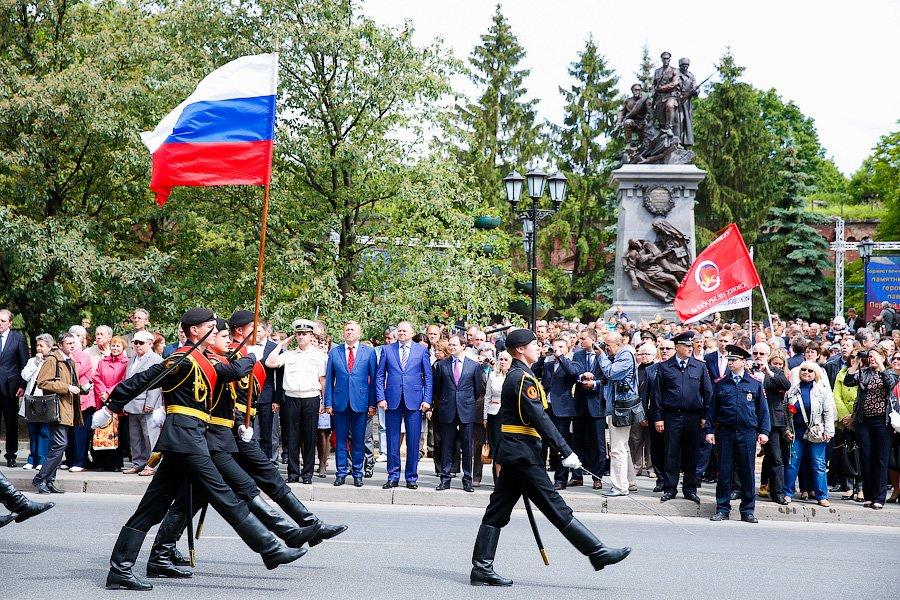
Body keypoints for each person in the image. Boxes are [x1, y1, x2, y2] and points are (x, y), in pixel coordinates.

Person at [94, 308, 305, 591]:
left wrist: (252, 355)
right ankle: (269, 549)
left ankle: (120, 568)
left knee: (152, 508)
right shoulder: (182, 358)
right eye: (211, 327)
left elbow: (230, 371)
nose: (217, 332)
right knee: (224, 495)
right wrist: (111, 406)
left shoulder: (201, 360)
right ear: (195, 330)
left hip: (190, 438)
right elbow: (144, 379)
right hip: (185, 438)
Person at [469, 328, 630, 587]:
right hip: (522, 454)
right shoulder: (523, 379)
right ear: (520, 349)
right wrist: (565, 451)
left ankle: (481, 568)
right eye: (534, 344)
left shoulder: (520, 375)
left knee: (497, 511)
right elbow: (540, 419)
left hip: (515, 452)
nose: (538, 348)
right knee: (555, 506)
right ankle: (597, 553)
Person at [705, 345, 770, 523]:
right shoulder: (721, 384)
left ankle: (747, 510)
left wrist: (764, 431)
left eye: (734, 360)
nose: (731, 363)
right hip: (725, 432)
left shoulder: (754, 384)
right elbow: (712, 411)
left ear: (743, 362)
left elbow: (763, 411)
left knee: (747, 472)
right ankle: (722, 508)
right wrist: (709, 430)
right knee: (724, 472)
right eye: (729, 360)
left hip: (747, 432)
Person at [652, 331, 712, 503]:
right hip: (671, 416)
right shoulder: (665, 367)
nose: (689, 348)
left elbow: (707, 393)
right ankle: (670, 488)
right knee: (671, 453)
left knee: (691, 454)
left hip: (693, 416)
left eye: (690, 345)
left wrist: (705, 416)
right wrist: (658, 417)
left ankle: (690, 488)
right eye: (686, 346)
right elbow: (657, 395)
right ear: (677, 347)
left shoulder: (699, 366)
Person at [265, 319, 326, 484]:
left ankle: (307, 474)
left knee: (309, 437)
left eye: (304, 334)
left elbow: (322, 381)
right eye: (298, 334)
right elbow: (270, 362)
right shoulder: (289, 354)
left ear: (311, 335)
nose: (301, 337)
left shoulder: (319, 356)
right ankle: (293, 473)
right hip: (291, 398)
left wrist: (324, 401)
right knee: (292, 437)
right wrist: (281, 344)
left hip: (311, 398)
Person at [376, 321, 433, 489]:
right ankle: (393, 476)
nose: (401, 333)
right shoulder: (387, 350)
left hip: (414, 400)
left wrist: (427, 400)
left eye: (404, 331)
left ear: (411, 332)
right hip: (392, 399)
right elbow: (380, 376)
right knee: (392, 439)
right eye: (399, 331)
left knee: (413, 440)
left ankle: (411, 477)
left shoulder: (421, 350)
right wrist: (380, 397)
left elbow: (428, 377)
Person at [844, 346, 898, 509]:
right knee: (866, 458)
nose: (872, 358)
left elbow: (891, 385)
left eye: (875, 356)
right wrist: (857, 362)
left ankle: (879, 498)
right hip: (863, 421)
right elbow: (848, 381)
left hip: (883, 421)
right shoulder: (864, 371)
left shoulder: (890, 372)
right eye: (870, 356)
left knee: (881, 459)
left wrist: (881, 365)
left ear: (883, 357)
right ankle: (869, 496)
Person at [324, 320, 377, 487]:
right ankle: (341, 472)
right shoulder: (335, 352)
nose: (349, 332)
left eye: (353, 330)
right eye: (346, 330)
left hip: (361, 402)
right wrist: (328, 403)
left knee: (359, 440)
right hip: (340, 402)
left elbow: (374, 380)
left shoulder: (368, 352)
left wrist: (372, 404)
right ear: (343, 333)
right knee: (340, 440)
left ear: (359, 334)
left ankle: (357, 473)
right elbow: (329, 378)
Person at [31, 332, 82, 494]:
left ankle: (49, 481)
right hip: (57, 409)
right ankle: (40, 479)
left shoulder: (70, 361)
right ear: (60, 345)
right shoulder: (53, 360)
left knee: (58, 445)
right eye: (69, 343)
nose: (72, 346)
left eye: (74, 343)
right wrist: (67, 388)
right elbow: (42, 382)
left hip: (67, 408)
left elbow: (71, 383)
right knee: (60, 444)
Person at [433, 335, 484, 492]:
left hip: (466, 410)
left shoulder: (473, 366)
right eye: (450, 344)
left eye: (455, 344)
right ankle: (445, 478)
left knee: (467, 446)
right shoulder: (442, 365)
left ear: (463, 346)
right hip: (447, 409)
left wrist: (466, 402)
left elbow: (478, 390)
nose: (452, 347)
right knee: (447, 445)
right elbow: (437, 388)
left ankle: (467, 479)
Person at [783, 361, 836, 506]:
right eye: (803, 370)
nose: (806, 372)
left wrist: (828, 431)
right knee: (792, 464)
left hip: (816, 433)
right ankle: (787, 493)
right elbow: (786, 414)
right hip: (796, 433)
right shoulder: (791, 391)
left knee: (818, 464)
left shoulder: (822, 391)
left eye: (810, 371)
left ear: (816, 374)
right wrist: (787, 430)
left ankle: (822, 496)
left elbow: (828, 413)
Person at [597, 332, 639, 497]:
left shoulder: (625, 356)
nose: (606, 349)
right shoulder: (620, 355)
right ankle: (628, 483)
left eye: (608, 345)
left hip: (621, 409)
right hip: (617, 408)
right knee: (622, 447)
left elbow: (611, 372)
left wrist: (601, 356)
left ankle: (620, 487)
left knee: (617, 449)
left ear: (618, 344)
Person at [540, 337, 581, 490]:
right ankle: (541, 478)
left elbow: (573, 374)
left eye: (560, 347)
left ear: (567, 349)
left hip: (562, 410)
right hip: (546, 408)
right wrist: (543, 356)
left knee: (561, 444)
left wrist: (561, 357)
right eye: (554, 347)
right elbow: (535, 370)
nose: (556, 349)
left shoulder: (572, 363)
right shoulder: (548, 365)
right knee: (543, 444)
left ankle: (561, 479)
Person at [120, 331, 162, 475]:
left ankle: (152, 466)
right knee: (135, 437)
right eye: (135, 342)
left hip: (146, 404)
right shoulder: (132, 359)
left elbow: (156, 383)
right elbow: (128, 382)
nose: (137, 345)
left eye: (141, 343)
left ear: (150, 344)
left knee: (150, 436)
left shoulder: (156, 359)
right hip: (132, 404)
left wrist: (150, 402)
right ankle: (138, 463)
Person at [753, 345, 791, 505]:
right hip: (749, 418)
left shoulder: (774, 373)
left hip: (772, 420)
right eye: (755, 353)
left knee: (776, 458)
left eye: (762, 354)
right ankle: (738, 489)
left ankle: (777, 492)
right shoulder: (746, 368)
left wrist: (769, 370)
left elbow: (785, 385)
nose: (758, 356)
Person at [572, 329, 606, 490]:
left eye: (583, 339)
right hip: (580, 404)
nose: (580, 342)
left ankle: (597, 477)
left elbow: (607, 377)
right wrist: (581, 377)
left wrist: (595, 383)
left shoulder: (602, 355)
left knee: (597, 444)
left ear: (593, 340)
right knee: (577, 441)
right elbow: (574, 373)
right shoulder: (578, 355)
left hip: (596, 405)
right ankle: (577, 476)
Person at [91, 336, 129, 472]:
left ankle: (115, 464)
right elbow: (96, 377)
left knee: (116, 433)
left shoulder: (126, 363)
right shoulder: (103, 361)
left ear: (123, 348)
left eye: (118, 346)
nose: (115, 348)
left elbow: (123, 380)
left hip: (117, 400)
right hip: (102, 400)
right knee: (101, 431)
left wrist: (109, 392)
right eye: (113, 345)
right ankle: (100, 463)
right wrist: (102, 392)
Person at [19, 334, 55, 471]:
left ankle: (42, 458)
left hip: (46, 399)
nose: (39, 348)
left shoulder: (52, 360)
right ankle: (31, 458)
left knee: (44, 431)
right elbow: (25, 375)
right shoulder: (32, 360)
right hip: (32, 399)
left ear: (49, 347)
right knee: (32, 430)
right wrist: (35, 363)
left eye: (42, 346)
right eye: (37, 345)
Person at [0, 309, 29, 468]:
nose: (0, 323)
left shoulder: (17, 338)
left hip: (10, 388)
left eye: (3, 321)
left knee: (11, 423)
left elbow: (23, 363)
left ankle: (11, 455)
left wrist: (22, 386)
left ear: (10, 323)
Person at [484, 351, 510, 482]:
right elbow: (487, 397)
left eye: (506, 359)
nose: (503, 362)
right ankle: (498, 479)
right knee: (496, 447)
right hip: (494, 414)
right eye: (501, 359)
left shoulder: (514, 375)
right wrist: (484, 417)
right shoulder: (493, 375)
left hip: (509, 415)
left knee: (506, 447)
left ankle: (508, 479)